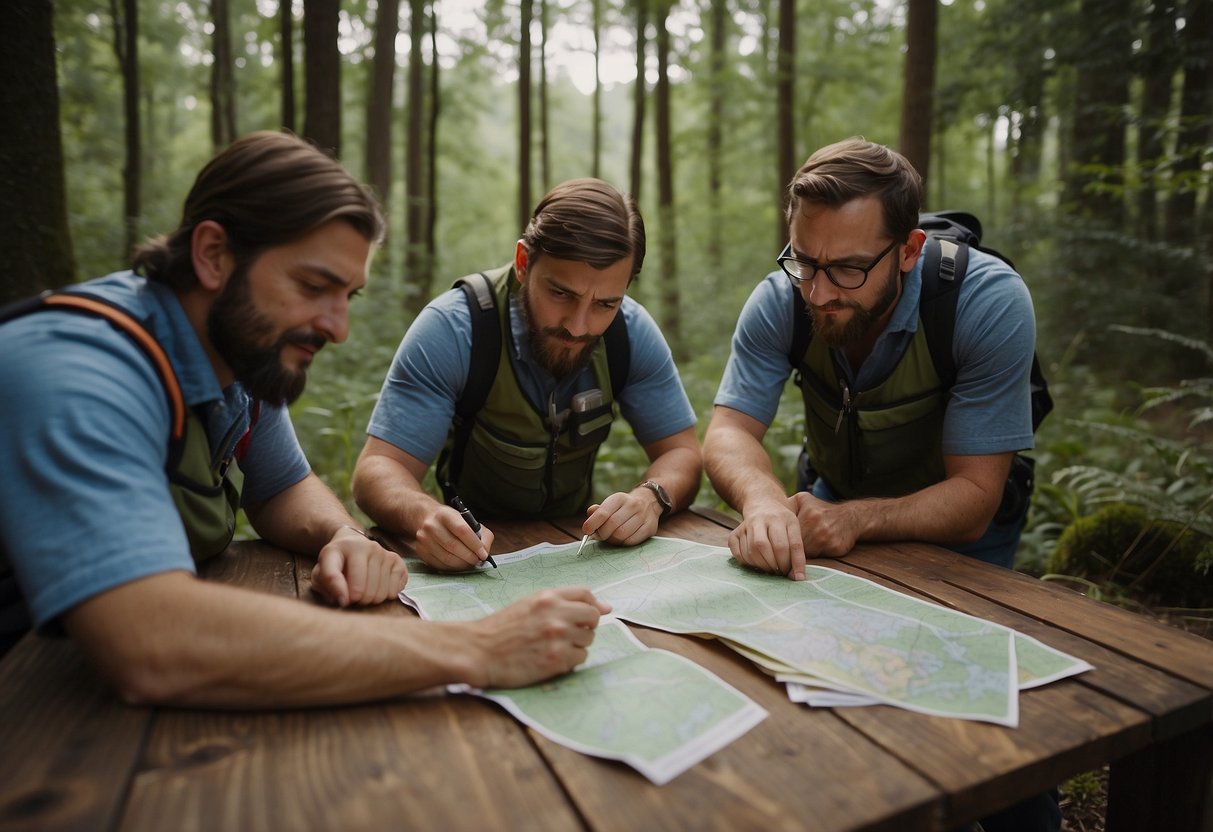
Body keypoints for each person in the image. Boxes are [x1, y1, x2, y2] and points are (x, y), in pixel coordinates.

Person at [0, 131, 610, 704]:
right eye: (313, 284)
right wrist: (478, 647)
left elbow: (284, 487)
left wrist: (341, 535)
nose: (337, 328)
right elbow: (151, 642)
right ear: (213, 254)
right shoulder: (76, 369)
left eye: (347, 296)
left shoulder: (236, 353)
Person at [703, 137, 1057, 832]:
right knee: (831, 698)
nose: (818, 289)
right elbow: (727, 431)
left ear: (907, 252)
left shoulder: (985, 302)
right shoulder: (783, 298)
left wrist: (857, 520)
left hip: (962, 533)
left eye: (846, 269)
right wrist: (765, 500)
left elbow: (974, 500)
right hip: (835, 498)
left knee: (981, 719)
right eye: (803, 261)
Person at [353, 178, 701, 571]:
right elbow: (378, 469)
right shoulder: (454, 329)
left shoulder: (631, 334)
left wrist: (650, 497)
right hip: (473, 553)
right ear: (523, 263)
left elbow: (681, 451)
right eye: (561, 294)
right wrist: (425, 515)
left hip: (576, 547)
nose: (578, 325)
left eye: (606, 303)